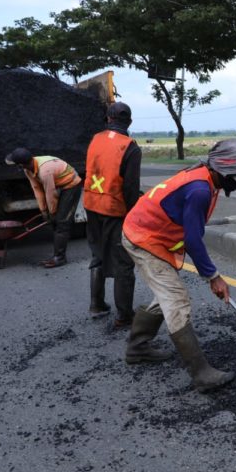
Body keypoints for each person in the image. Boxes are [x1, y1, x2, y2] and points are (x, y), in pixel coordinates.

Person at [120, 139, 236, 393]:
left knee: (166, 293)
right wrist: (213, 277)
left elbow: (191, 233)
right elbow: (193, 240)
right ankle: (201, 373)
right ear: (221, 170)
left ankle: (137, 347)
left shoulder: (206, 179)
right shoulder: (200, 189)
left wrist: (211, 275)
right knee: (176, 298)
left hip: (149, 234)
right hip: (142, 238)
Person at [83, 102, 142, 329]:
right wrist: (134, 216)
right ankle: (125, 315)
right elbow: (130, 188)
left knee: (98, 254)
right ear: (129, 122)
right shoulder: (130, 148)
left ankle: (97, 304)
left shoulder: (95, 139)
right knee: (123, 263)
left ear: (108, 119)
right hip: (115, 210)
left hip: (91, 204)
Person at [5, 148, 82, 267]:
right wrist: (43, 211)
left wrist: (52, 212)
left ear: (21, 164)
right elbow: (37, 189)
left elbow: (50, 194)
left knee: (61, 222)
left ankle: (59, 258)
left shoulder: (45, 171)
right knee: (55, 221)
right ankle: (57, 255)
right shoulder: (28, 169)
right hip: (59, 183)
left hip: (71, 184)